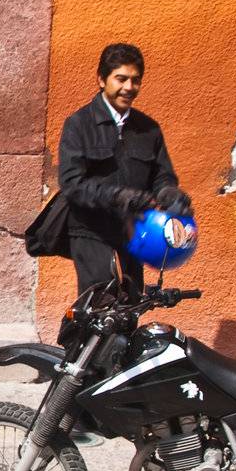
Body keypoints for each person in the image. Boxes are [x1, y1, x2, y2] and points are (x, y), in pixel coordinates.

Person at [56, 42, 192, 300]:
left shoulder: (149, 129)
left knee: (131, 303)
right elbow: (72, 184)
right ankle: (73, 341)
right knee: (99, 302)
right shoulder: (79, 124)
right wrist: (121, 197)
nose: (128, 87)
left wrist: (170, 195)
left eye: (135, 80)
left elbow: (162, 176)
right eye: (121, 79)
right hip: (90, 229)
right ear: (101, 79)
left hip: (134, 230)